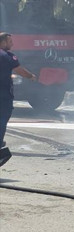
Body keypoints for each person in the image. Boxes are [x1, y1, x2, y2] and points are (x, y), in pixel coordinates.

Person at [0, 32, 37, 166]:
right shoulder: (7, 56)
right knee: (1, 121)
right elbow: (19, 70)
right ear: (3, 42)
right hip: (3, 96)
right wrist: (31, 76)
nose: (12, 44)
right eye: (10, 42)